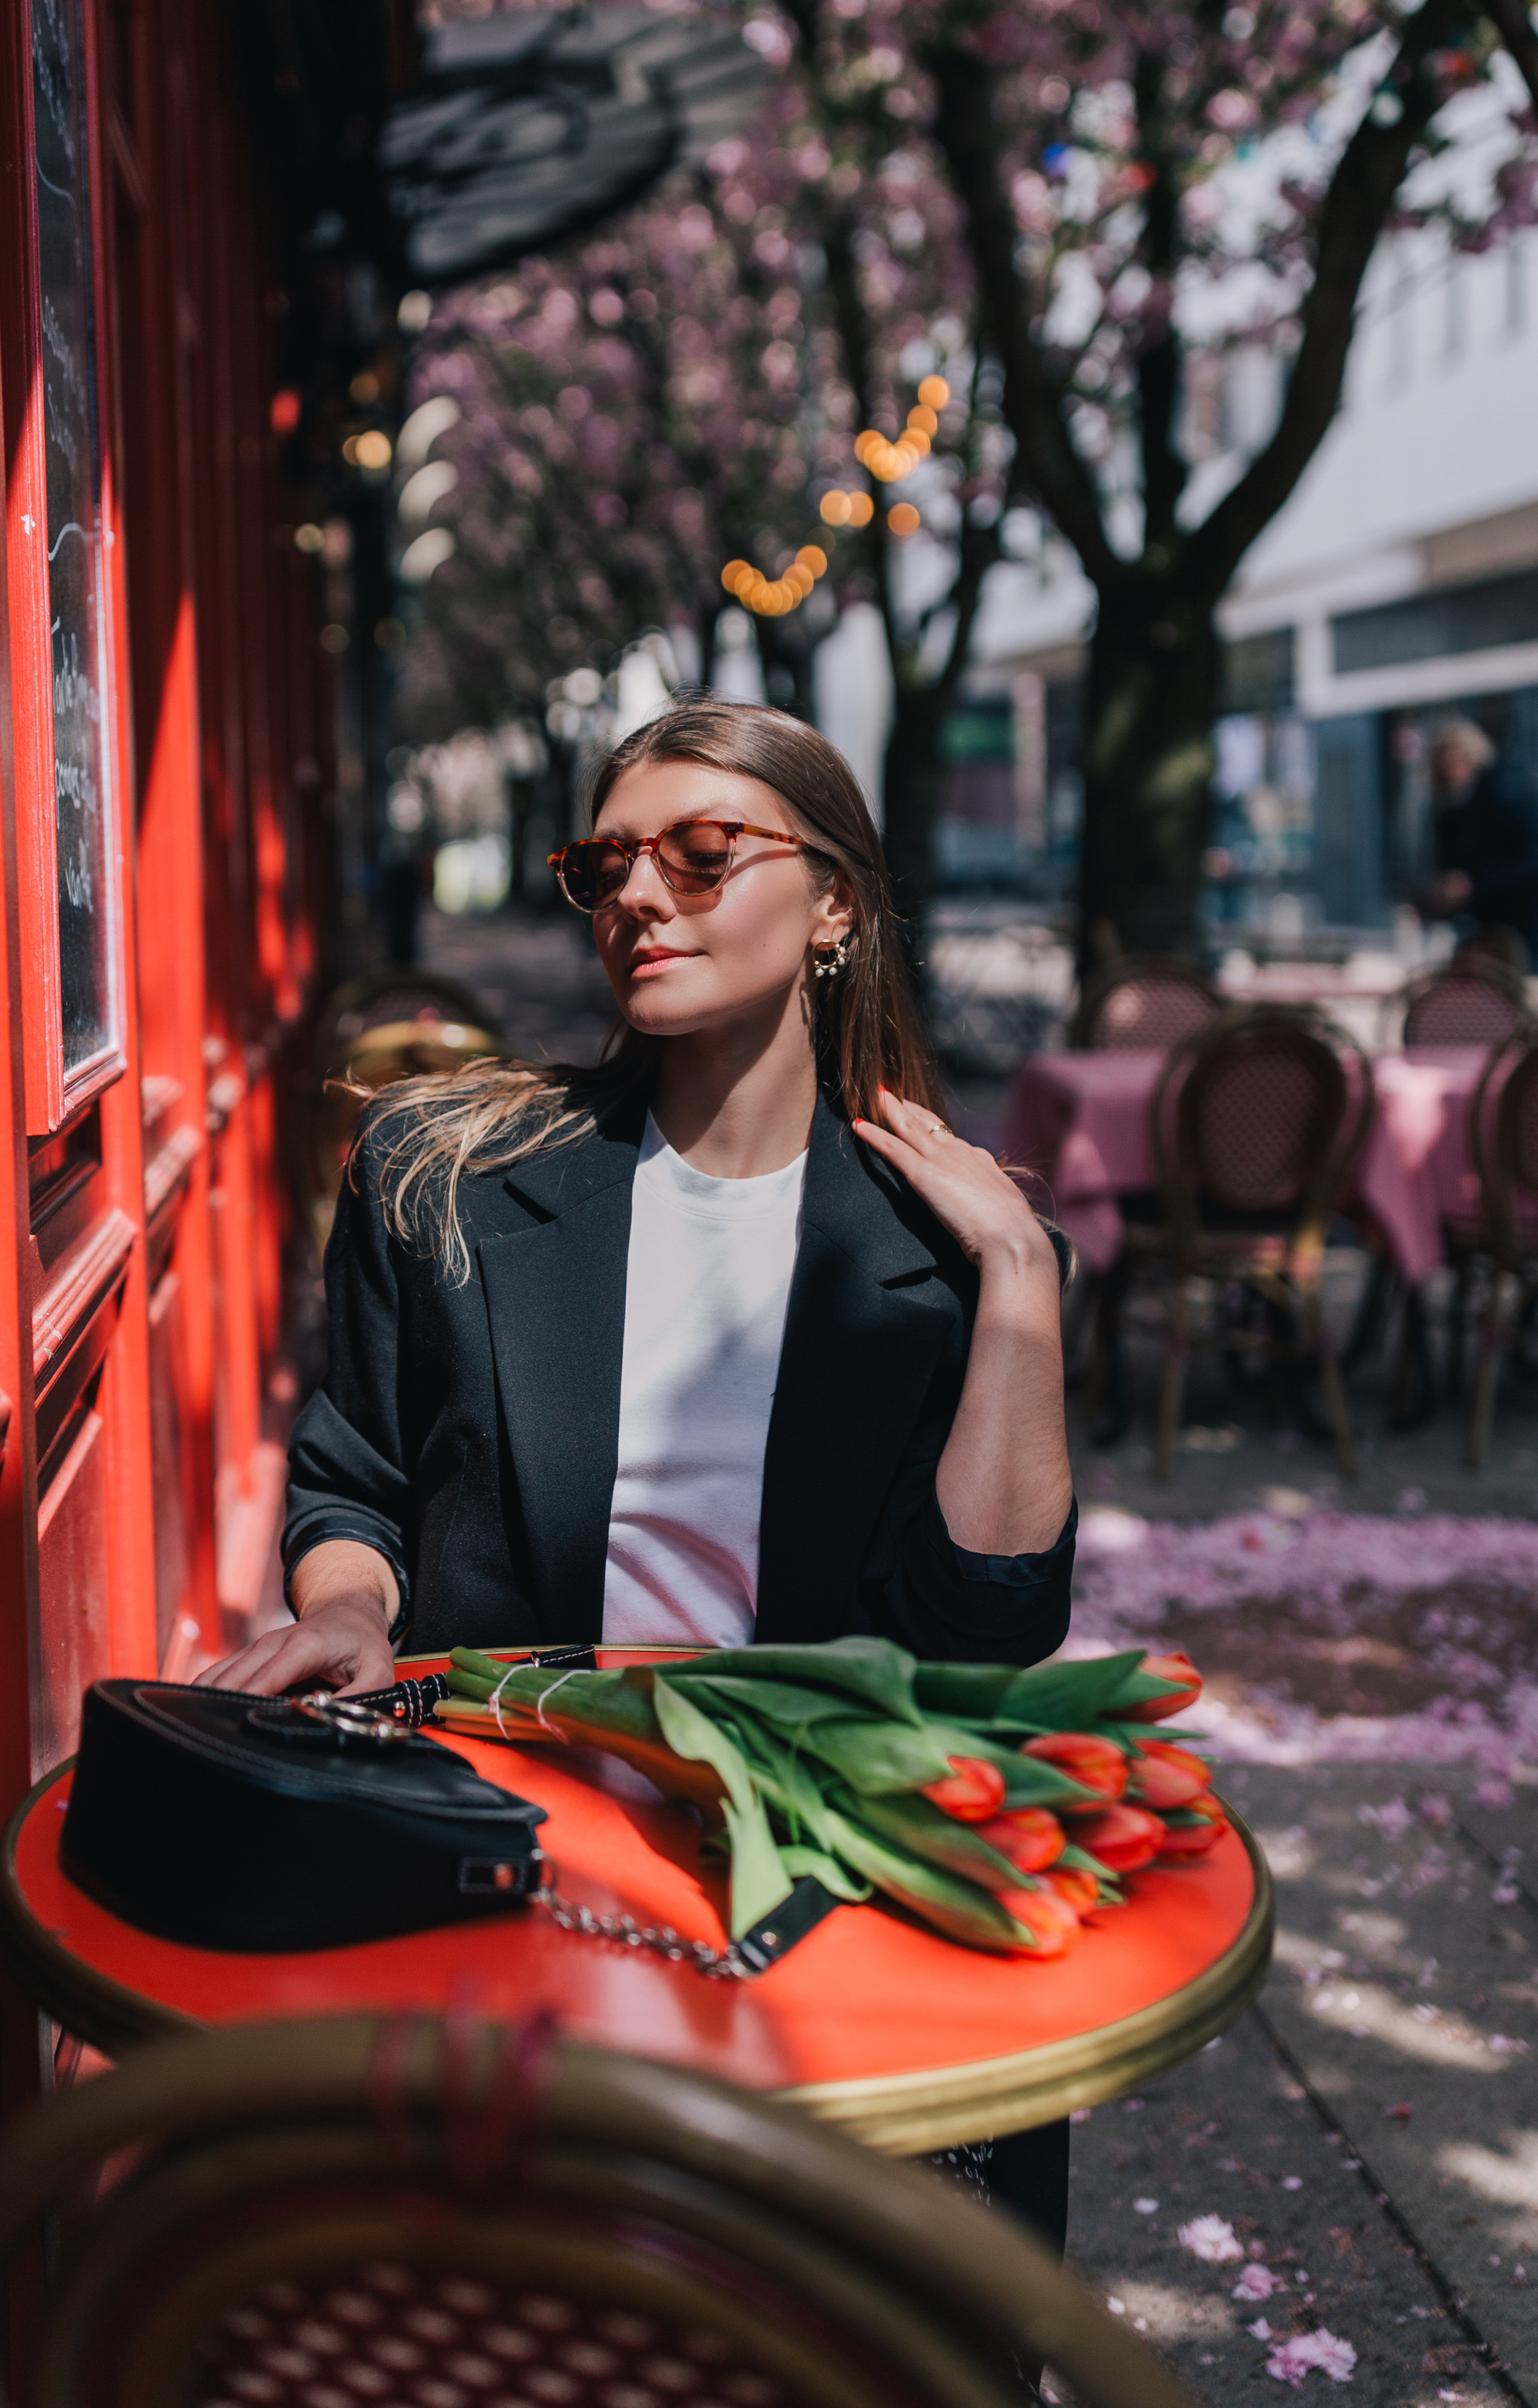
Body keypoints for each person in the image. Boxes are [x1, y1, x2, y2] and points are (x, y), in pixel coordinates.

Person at [209, 695, 1078, 2251]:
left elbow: (990, 1624)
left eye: (699, 851)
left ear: (829, 904)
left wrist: (1017, 1275)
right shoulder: (443, 1176)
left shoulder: (948, 1256)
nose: (636, 895)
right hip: (505, 1850)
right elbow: (350, 1478)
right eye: (604, 865)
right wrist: (350, 1601)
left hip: (819, 1882)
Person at [1418, 717, 1538, 977]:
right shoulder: (1452, 805)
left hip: (1532, 924)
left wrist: (1473, 884)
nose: (1450, 771)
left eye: (1456, 763)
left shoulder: (1506, 791)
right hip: (1493, 926)